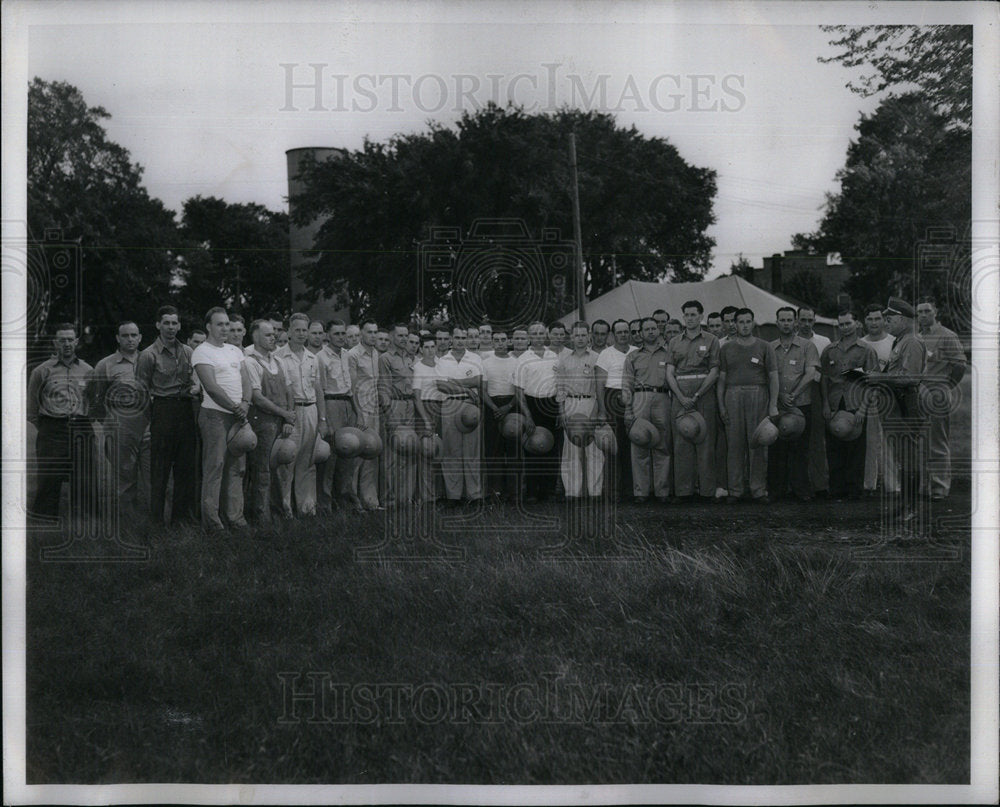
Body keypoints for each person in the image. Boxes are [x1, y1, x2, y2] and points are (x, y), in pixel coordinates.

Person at [863, 298, 928, 532]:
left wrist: (879, 378)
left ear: (902, 319)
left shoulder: (910, 342)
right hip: (898, 402)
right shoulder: (901, 340)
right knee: (903, 456)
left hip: (907, 402)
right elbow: (896, 371)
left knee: (908, 457)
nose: (886, 323)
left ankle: (911, 509)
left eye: (890, 319)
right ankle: (906, 506)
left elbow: (911, 378)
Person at [27, 324, 97, 523]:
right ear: (55, 343)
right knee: (49, 477)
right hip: (51, 428)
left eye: (70, 339)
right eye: (62, 340)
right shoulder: (41, 371)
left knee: (84, 475)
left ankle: (85, 520)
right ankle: (44, 520)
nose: (66, 344)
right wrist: (50, 426)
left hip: (81, 427)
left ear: (76, 342)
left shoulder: (88, 370)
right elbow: (32, 408)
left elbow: (92, 401)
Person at [136, 305, 198, 525]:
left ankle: (181, 520)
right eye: (167, 323)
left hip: (185, 410)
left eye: (174, 323)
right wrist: (149, 420)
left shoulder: (188, 352)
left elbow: (195, 381)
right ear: (158, 325)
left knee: (185, 468)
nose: (171, 327)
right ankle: (157, 522)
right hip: (162, 410)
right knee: (159, 470)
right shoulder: (148, 355)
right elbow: (142, 392)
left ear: (179, 325)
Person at [192, 307, 250, 531]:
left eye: (227, 324)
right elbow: (212, 388)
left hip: (238, 415)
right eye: (220, 324)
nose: (225, 328)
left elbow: (245, 379)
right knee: (214, 468)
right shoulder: (202, 352)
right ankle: (213, 522)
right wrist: (236, 408)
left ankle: (236, 518)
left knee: (237, 468)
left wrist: (245, 403)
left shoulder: (235, 351)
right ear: (208, 327)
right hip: (214, 416)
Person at [717, 308, 779, 503]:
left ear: (753, 323)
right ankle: (735, 490)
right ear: (734, 324)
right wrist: (722, 406)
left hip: (758, 394)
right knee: (734, 444)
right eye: (741, 321)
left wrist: (773, 405)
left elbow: (773, 377)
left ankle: (758, 489)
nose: (744, 325)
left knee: (758, 442)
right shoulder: (726, 348)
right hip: (733, 395)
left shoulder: (764, 346)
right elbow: (721, 379)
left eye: (748, 321)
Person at [90, 320, 151, 518]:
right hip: (120, 422)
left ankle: (155, 520)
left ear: (140, 337)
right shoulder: (105, 365)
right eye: (125, 335)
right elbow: (96, 397)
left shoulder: (150, 359)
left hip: (150, 421)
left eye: (134, 335)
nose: (130, 339)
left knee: (153, 474)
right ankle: (128, 522)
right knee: (125, 475)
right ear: (118, 338)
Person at [665, 300, 720, 502]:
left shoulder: (712, 340)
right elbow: (669, 372)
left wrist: (697, 396)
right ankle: (683, 491)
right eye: (686, 315)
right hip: (680, 391)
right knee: (681, 440)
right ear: (683, 317)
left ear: (701, 316)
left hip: (704, 392)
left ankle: (706, 491)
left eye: (694, 315)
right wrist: (680, 396)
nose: (690, 318)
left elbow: (714, 371)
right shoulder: (674, 342)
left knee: (705, 440)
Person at [820, 310, 877, 501]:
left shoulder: (866, 350)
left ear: (857, 324)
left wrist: (863, 408)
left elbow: (873, 381)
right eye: (841, 324)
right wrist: (826, 404)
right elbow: (825, 379)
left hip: (856, 403)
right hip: (836, 403)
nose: (845, 327)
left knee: (855, 448)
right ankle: (836, 489)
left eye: (848, 323)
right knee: (834, 447)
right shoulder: (830, 350)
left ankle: (854, 490)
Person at [242, 319, 295, 524]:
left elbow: (289, 389)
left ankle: (281, 511)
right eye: (268, 334)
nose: (273, 337)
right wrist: (284, 413)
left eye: (274, 334)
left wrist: (289, 416)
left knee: (282, 467)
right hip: (261, 421)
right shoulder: (250, 362)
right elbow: (257, 398)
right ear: (255, 336)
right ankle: (261, 518)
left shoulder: (279, 360)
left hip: (282, 421)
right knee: (262, 470)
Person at [766, 307, 820, 502]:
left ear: (795, 322)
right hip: (778, 405)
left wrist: (794, 394)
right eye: (783, 320)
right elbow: (767, 376)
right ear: (777, 322)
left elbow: (811, 373)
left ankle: (801, 490)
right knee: (776, 447)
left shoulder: (807, 347)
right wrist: (780, 395)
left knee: (800, 448)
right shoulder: (770, 348)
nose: (786, 323)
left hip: (801, 404)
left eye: (790, 320)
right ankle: (776, 490)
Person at [274, 313, 325, 517]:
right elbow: (279, 391)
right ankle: (285, 508)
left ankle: (306, 508)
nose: (302, 334)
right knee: (287, 459)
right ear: (289, 332)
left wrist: (322, 419)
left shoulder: (313, 357)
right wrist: (287, 417)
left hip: (311, 409)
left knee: (308, 459)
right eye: (297, 330)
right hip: (291, 411)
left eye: (305, 330)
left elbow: (318, 388)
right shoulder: (279, 356)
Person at [916, 297, 967, 500]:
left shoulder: (947, 335)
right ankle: (924, 486)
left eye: (927, 311)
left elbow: (960, 365)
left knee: (937, 440)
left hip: (938, 390)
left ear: (935, 312)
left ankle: (939, 487)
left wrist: (947, 385)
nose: (923, 315)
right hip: (919, 391)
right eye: (919, 312)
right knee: (920, 440)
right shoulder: (917, 337)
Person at [622, 317, 671, 503]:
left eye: (653, 328)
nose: (650, 332)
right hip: (639, 399)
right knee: (639, 443)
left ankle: (662, 491)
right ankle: (641, 491)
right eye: (646, 329)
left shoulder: (668, 354)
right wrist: (628, 410)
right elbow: (626, 384)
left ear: (658, 331)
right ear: (640, 333)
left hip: (662, 398)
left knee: (662, 445)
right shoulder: (633, 356)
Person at [436, 326, 484, 504]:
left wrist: (455, 382)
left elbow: (478, 380)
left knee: (472, 451)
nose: (460, 341)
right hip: (450, 404)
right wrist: (465, 387)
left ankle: (474, 495)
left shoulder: (475, 358)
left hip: (471, 405)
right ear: (451, 339)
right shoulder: (443, 359)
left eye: (463, 338)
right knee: (451, 451)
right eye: (457, 338)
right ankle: (454, 496)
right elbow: (441, 385)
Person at [514, 322, 560, 503]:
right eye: (535, 334)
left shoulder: (553, 356)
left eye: (542, 333)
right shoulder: (523, 359)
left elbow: (560, 383)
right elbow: (518, 390)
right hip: (532, 404)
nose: (538, 337)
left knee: (551, 448)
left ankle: (548, 490)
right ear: (529, 337)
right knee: (532, 448)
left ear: (546, 335)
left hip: (551, 404)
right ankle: (532, 491)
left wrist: (560, 409)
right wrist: (528, 415)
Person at [557, 322, 603, 499]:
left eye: (583, 335)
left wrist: (598, 411)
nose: (580, 339)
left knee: (594, 449)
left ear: (589, 335)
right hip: (570, 404)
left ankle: (595, 491)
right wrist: (562, 413)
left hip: (590, 402)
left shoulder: (597, 358)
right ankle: (573, 492)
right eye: (577, 335)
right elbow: (559, 388)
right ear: (571, 337)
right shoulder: (564, 359)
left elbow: (600, 388)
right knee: (571, 449)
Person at [317, 319, 357, 511]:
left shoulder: (347, 356)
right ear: (327, 335)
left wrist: (356, 411)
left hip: (347, 403)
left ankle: (344, 499)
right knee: (331, 453)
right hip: (331, 402)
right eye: (336, 334)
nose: (341, 338)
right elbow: (321, 390)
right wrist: (324, 418)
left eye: (343, 334)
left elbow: (352, 387)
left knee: (348, 452)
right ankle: (325, 503)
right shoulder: (321, 357)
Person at [859, 304, 898, 496]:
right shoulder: (860, 343)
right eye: (870, 319)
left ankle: (893, 485)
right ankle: (869, 484)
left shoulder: (894, 342)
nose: (874, 323)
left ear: (884, 320)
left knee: (889, 442)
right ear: (864, 321)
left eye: (877, 319)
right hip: (865, 399)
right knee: (868, 441)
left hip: (889, 397)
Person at [595, 319, 635, 503]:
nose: (623, 335)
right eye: (619, 332)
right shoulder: (606, 354)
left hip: (633, 399)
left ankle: (630, 490)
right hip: (612, 399)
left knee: (631, 445)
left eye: (626, 331)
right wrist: (602, 410)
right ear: (613, 334)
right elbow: (600, 384)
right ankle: (612, 491)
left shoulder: (636, 352)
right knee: (613, 447)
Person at [379, 324, 417, 506]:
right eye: (400, 336)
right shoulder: (385, 358)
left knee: (408, 449)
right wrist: (388, 412)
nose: (403, 339)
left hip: (410, 405)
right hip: (394, 405)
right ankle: (389, 498)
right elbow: (383, 386)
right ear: (392, 337)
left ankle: (405, 498)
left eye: (406, 335)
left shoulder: (411, 359)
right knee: (391, 454)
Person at [346, 320, 381, 510]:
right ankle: (354, 500)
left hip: (375, 409)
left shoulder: (377, 354)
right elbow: (351, 388)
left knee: (372, 453)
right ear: (362, 334)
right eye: (370, 332)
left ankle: (370, 500)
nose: (373, 336)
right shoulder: (353, 355)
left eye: (375, 332)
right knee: (357, 456)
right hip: (361, 410)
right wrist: (358, 412)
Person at [797, 306, 831, 497]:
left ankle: (820, 485)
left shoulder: (824, 342)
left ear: (814, 321)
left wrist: (825, 400)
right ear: (797, 320)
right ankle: (797, 485)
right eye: (803, 320)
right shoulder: (790, 341)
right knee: (796, 436)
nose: (806, 324)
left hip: (815, 391)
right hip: (794, 392)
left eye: (810, 320)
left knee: (817, 438)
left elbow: (826, 373)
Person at [482, 330, 519, 500]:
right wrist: (494, 408)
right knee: (494, 449)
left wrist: (509, 406)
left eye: (503, 340)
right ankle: (494, 490)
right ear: (492, 342)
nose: (500, 343)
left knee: (512, 449)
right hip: (492, 406)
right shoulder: (485, 362)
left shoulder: (516, 362)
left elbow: (520, 390)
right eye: (496, 340)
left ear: (508, 341)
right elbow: (482, 390)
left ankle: (513, 491)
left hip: (512, 405)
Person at [412, 334, 445, 505]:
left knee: (438, 452)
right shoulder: (418, 367)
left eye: (433, 347)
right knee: (426, 452)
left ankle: (438, 494)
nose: (430, 350)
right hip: (425, 408)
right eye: (426, 347)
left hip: (442, 408)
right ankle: (425, 497)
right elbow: (416, 397)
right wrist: (425, 419)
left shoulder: (441, 364)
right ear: (421, 349)